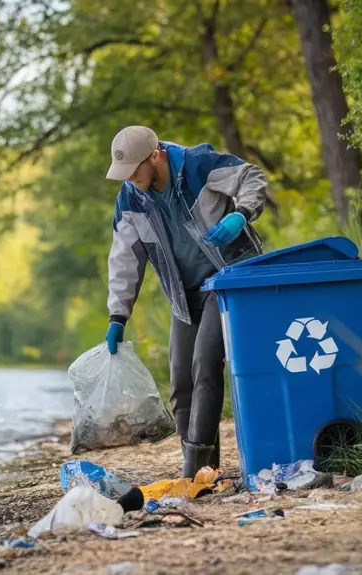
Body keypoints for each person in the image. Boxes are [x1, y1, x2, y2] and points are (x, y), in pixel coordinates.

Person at [103, 125, 269, 478]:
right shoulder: (131, 199)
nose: (130, 179)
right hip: (183, 292)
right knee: (180, 379)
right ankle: (204, 470)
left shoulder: (198, 165)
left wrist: (241, 214)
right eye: (125, 174)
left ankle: (193, 472)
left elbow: (251, 177)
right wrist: (117, 315)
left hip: (227, 280)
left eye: (134, 170)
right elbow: (124, 258)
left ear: (155, 155)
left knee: (205, 363)